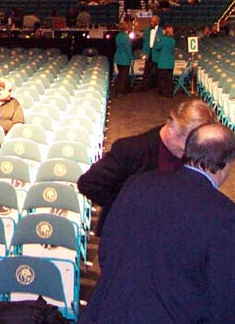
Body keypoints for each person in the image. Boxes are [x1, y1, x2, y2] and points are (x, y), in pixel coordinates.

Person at [79, 123, 235, 324]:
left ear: (188, 150)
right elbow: (227, 294)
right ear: (226, 163)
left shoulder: (138, 184)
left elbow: (108, 248)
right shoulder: (227, 216)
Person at [77, 97, 216, 236]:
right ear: (171, 129)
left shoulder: (195, 153)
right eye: (187, 144)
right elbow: (88, 183)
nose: (190, 152)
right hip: (129, 235)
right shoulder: (131, 150)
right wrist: (132, 208)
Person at [154, 24, 176, 97]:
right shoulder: (173, 40)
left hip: (162, 62)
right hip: (170, 62)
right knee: (169, 79)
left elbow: (157, 47)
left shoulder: (163, 39)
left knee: (162, 79)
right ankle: (169, 93)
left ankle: (163, 92)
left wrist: (157, 40)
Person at [141, 15, 161, 89]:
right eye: (150, 21)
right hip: (148, 52)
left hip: (157, 53)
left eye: (153, 21)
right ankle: (144, 86)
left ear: (157, 22)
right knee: (147, 70)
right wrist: (144, 52)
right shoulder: (147, 30)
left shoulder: (161, 31)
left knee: (158, 71)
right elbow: (144, 43)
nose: (151, 23)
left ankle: (158, 86)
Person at [113, 20, 133, 95]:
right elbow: (128, 49)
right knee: (124, 76)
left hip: (118, 57)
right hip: (125, 59)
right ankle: (121, 91)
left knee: (120, 75)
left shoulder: (118, 36)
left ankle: (118, 90)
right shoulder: (126, 37)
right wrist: (131, 58)